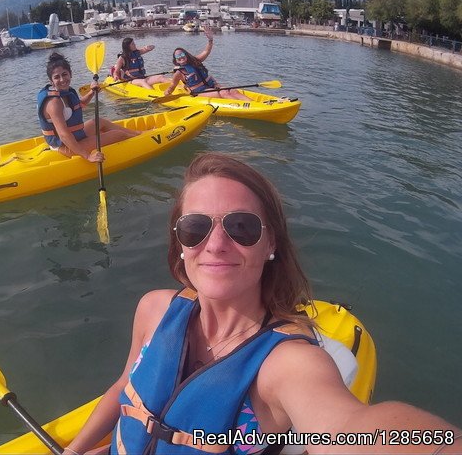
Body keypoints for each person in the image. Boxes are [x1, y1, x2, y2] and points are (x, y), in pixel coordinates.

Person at [63, 153, 461, 455]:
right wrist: (73, 450)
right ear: (180, 243)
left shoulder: (286, 365)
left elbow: (352, 428)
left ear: (271, 243)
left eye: (241, 227)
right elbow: (122, 388)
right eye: (195, 227)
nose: (215, 244)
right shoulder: (154, 309)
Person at [37, 52, 140, 163]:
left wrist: (92, 92)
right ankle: (139, 140)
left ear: (70, 74)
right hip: (65, 147)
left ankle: (138, 134)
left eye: (64, 74)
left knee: (99, 122)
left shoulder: (66, 92)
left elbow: (79, 105)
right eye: (57, 77)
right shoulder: (54, 103)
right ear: (51, 81)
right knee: (118, 135)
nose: (62, 79)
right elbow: (63, 135)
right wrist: (87, 156)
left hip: (74, 138)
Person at [164, 25, 253, 101]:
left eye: (182, 54)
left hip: (211, 86)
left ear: (186, 55)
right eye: (178, 57)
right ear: (176, 60)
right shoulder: (179, 73)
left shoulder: (196, 61)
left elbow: (206, 51)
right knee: (224, 92)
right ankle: (245, 107)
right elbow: (172, 85)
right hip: (199, 92)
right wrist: (167, 92)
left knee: (233, 91)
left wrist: (210, 40)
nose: (181, 57)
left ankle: (254, 103)